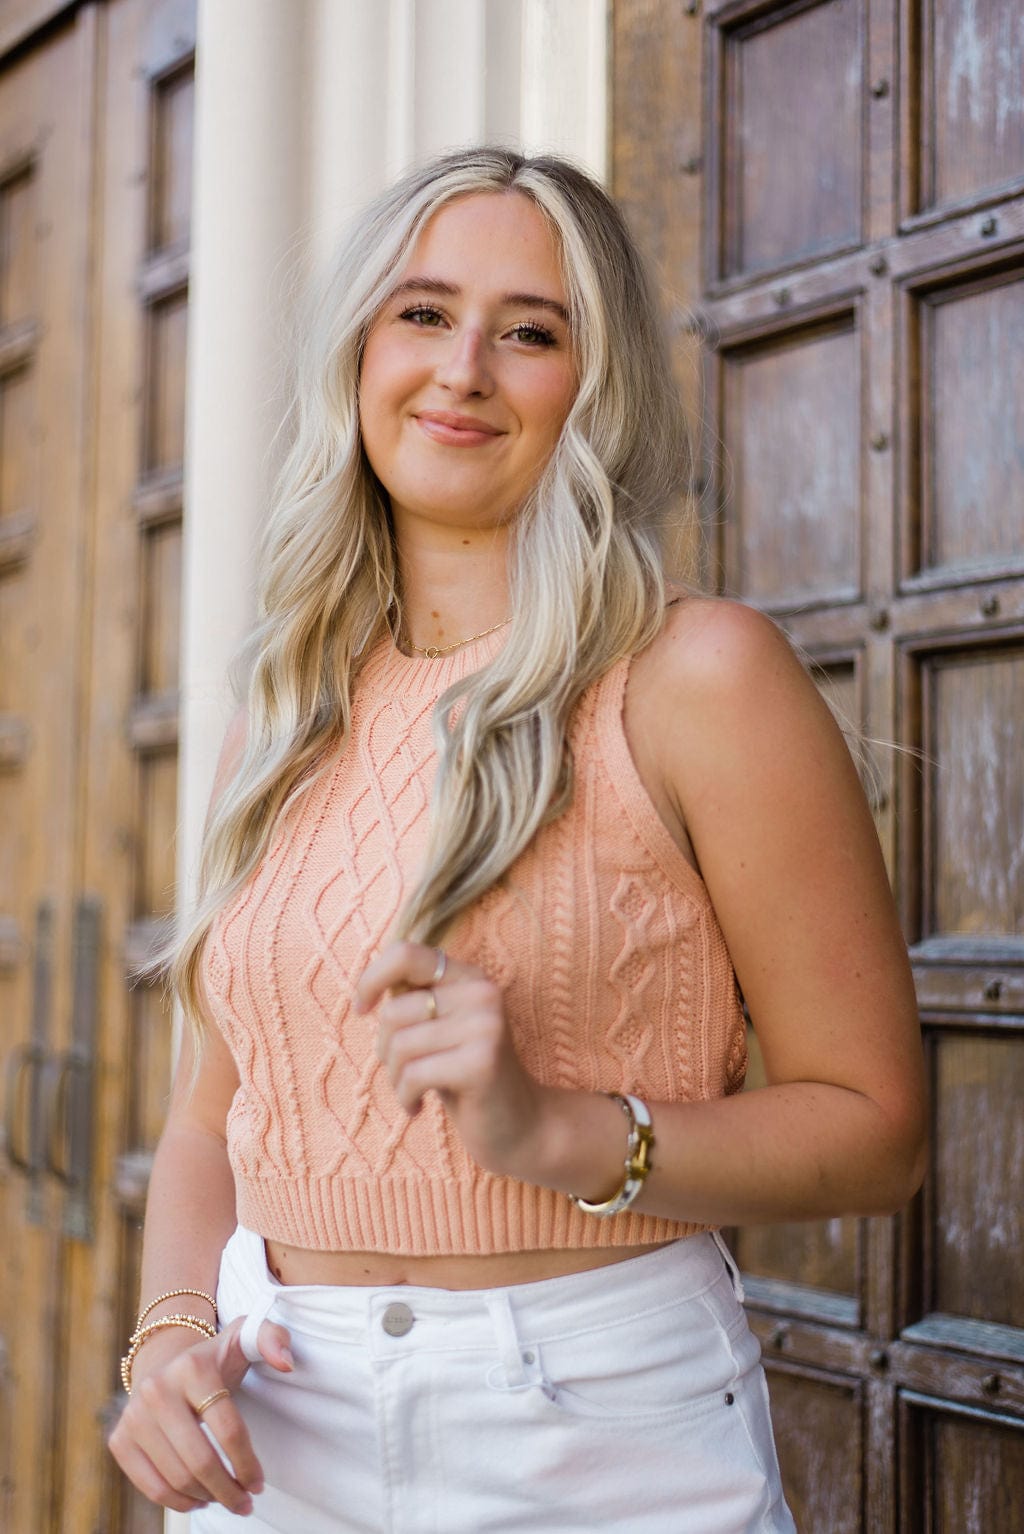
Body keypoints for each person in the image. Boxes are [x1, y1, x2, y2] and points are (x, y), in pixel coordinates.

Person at [108, 146, 926, 1532]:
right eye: (422, 313)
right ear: (358, 352)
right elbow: (211, 1122)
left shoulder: (696, 677)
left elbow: (878, 1130)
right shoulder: (281, 714)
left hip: (592, 1431)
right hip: (275, 1432)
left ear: (592, 388)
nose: (464, 366)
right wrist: (168, 1336)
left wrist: (557, 1130)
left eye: (530, 331)